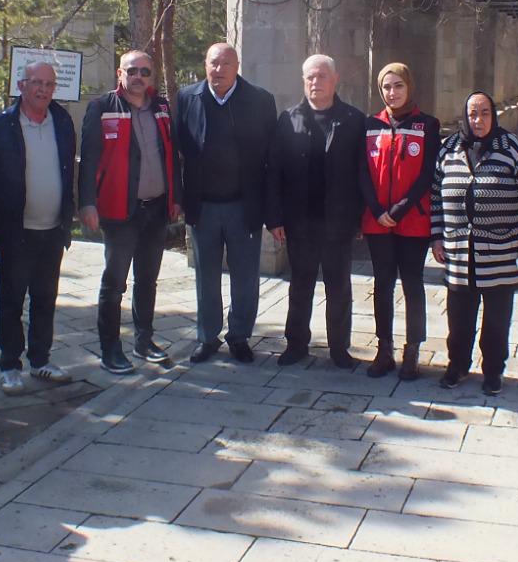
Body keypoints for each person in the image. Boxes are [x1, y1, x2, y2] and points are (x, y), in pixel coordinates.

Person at [174, 43, 278, 365]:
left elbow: (271, 160)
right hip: (203, 206)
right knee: (206, 276)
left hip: (243, 206)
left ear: (237, 66)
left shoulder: (260, 100)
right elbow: (178, 152)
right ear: (205, 65)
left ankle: (239, 336)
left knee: (245, 276)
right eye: (213, 63)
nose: (218, 70)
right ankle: (207, 337)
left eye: (225, 64)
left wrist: (270, 210)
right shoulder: (187, 98)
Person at [79, 49, 178, 374]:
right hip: (120, 212)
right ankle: (110, 349)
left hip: (156, 209)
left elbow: (172, 156)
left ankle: (143, 339)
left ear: (152, 76)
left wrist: (176, 197)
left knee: (147, 280)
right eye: (132, 70)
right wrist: (87, 202)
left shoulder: (161, 108)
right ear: (120, 74)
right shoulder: (102, 108)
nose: (138, 77)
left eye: (145, 72)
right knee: (114, 284)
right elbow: (89, 159)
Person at [267, 54, 369, 369]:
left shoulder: (353, 120)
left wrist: (361, 216)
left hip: (338, 222)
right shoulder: (289, 119)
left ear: (335, 79)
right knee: (300, 284)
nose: (316, 82)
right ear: (304, 81)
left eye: (322, 76)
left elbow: (362, 172)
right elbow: (274, 172)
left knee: (339, 287)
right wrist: (275, 218)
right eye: (310, 77)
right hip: (300, 222)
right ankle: (296, 344)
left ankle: (339, 348)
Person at [431, 91, 518, 396]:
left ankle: (493, 371)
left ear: (494, 115)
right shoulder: (449, 148)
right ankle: (458, 365)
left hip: (501, 250)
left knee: (497, 321)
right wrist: (437, 236)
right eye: (473, 113)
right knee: (459, 318)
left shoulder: (510, 147)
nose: (479, 120)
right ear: (465, 115)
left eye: (485, 113)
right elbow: (436, 197)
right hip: (459, 250)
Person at [0, 60, 77, 390]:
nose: (43, 89)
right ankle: (9, 365)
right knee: (11, 300)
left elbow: (68, 171)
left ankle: (40, 360)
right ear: (21, 85)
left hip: (52, 230)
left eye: (49, 84)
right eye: (36, 82)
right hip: (15, 232)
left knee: (45, 298)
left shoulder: (62, 121)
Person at [360, 62, 440, 380]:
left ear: (409, 86)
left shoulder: (428, 125)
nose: (392, 93)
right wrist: (377, 209)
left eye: (398, 86)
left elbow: (427, 174)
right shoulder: (370, 125)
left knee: (412, 284)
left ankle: (412, 351)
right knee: (382, 284)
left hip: (413, 221)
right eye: (386, 87)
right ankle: (384, 349)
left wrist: (401, 209)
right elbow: (362, 172)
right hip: (377, 220)